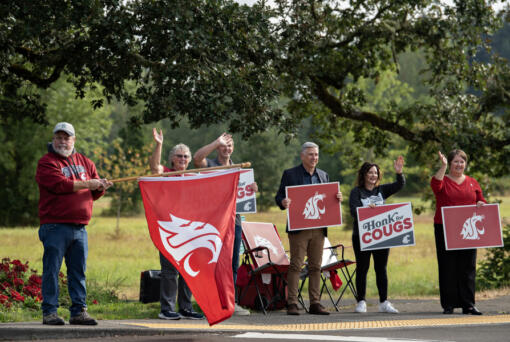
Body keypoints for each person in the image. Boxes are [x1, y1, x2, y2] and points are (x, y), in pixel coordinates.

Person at [35, 122, 112, 325]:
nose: (62, 141)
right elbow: (61, 185)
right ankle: (49, 312)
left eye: (66, 137)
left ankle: (78, 312)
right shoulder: (47, 163)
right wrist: (90, 184)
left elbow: (92, 193)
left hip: (80, 227)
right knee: (52, 270)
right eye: (59, 137)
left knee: (78, 272)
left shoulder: (85, 162)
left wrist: (101, 187)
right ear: (53, 139)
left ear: (73, 140)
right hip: (55, 226)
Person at [193, 132, 257, 316]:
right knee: (212, 262)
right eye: (223, 146)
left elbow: (245, 198)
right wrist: (216, 141)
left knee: (231, 264)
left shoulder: (240, 169)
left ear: (233, 148)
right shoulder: (210, 165)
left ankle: (230, 302)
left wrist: (252, 190)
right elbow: (197, 158)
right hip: (213, 223)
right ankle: (210, 302)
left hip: (234, 222)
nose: (226, 149)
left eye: (229, 146)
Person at [275, 142, 342, 316]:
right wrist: (283, 202)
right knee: (296, 265)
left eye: (317, 155)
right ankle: (292, 303)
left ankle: (315, 303)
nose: (315, 158)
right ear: (302, 156)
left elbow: (327, 200)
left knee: (316, 266)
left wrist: (337, 198)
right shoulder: (290, 174)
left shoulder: (323, 175)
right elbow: (279, 196)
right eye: (311, 154)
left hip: (319, 228)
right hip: (299, 228)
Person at [150, 128, 204, 320]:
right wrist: (159, 144)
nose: (182, 159)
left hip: (190, 230)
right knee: (170, 271)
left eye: (186, 156)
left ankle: (185, 307)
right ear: (173, 159)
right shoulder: (166, 173)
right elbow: (154, 167)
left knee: (187, 269)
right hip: (168, 229)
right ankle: (167, 309)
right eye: (179, 156)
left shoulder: (194, 177)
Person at [431, 150, 486, 315]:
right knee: (448, 266)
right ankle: (449, 304)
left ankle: (468, 304)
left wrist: (481, 204)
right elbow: (435, 185)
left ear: (465, 164)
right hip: (445, 227)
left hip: (468, 230)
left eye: (462, 162)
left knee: (468, 266)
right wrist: (443, 166)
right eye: (455, 162)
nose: (459, 165)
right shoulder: (443, 180)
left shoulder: (472, 182)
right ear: (450, 163)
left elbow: (481, 200)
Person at [349, 156, 405, 314]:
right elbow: (353, 211)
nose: (373, 175)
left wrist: (399, 173)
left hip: (381, 236)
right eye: (370, 172)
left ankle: (384, 302)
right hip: (361, 236)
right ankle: (361, 302)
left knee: (381, 268)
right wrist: (367, 210)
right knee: (362, 268)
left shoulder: (382, 190)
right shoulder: (356, 192)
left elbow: (399, 185)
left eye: (375, 173)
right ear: (364, 175)